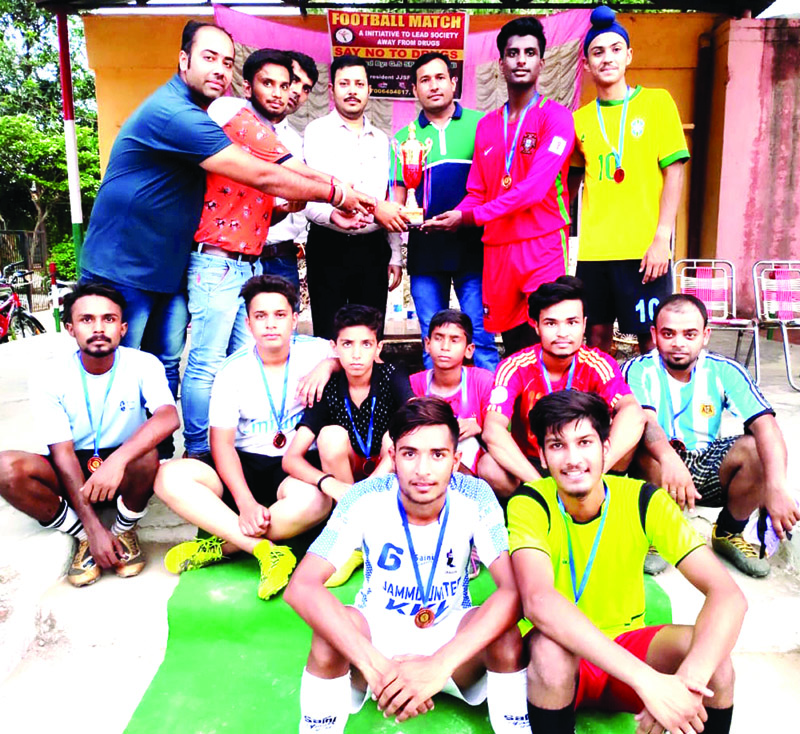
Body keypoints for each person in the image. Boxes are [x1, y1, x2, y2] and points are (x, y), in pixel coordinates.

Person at [80, 21, 372, 403]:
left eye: (227, 61)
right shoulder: (178, 113)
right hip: (123, 264)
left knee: (165, 363)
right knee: (120, 368)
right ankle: (116, 456)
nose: (219, 68)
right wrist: (338, 194)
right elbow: (266, 174)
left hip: (168, 265)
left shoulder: (203, 115)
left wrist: (310, 202)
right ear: (183, 60)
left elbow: (264, 187)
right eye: (208, 57)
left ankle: (165, 455)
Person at [284, 397, 531, 734]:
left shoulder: (476, 495)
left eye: (438, 455)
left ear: (456, 460)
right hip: (376, 639)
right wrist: (376, 668)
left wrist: (438, 665)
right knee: (329, 633)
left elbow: (514, 590)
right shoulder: (364, 497)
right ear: (393, 456)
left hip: (450, 636)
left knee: (506, 634)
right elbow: (302, 586)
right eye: (410, 453)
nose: (423, 470)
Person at [508, 390, 745, 734]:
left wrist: (685, 687)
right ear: (543, 457)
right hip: (565, 654)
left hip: (627, 644)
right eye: (558, 445)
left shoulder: (643, 500)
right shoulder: (530, 503)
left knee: (716, 665)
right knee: (548, 652)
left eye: (585, 442)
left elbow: (728, 595)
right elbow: (539, 602)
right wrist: (649, 682)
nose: (574, 458)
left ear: (606, 448)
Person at [181, 48, 343, 460]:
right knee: (205, 365)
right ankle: (201, 453)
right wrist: (348, 195)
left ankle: (236, 448)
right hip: (216, 261)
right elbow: (283, 172)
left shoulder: (269, 130)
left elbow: (258, 207)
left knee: (238, 362)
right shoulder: (234, 112)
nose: (278, 93)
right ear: (248, 84)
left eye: (284, 85)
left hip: (246, 261)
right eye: (267, 83)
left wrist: (285, 206)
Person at [155, 275, 338, 600]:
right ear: (249, 323)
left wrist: (330, 366)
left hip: (292, 468)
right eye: (261, 316)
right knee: (168, 477)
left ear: (295, 319)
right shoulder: (232, 370)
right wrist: (245, 501)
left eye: (280, 315)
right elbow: (221, 444)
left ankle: (224, 546)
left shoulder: (318, 351)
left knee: (316, 500)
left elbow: (363, 360)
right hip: (243, 466)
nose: (271, 325)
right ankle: (264, 550)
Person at [0, 284, 179, 587]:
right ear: (70, 328)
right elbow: (62, 453)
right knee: (6, 468)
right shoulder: (49, 375)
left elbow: (168, 416)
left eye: (109, 319)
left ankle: (124, 530)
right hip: (71, 463)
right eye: (87, 320)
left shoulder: (143, 363)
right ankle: (84, 539)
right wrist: (93, 529)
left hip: (123, 467)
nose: (98, 328)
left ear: (123, 328)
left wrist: (117, 461)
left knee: (148, 452)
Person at [425, 17, 575, 356]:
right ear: (501, 63)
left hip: (543, 242)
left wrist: (469, 218)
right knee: (515, 346)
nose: (521, 60)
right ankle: (521, 410)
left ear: (542, 62)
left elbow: (535, 190)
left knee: (552, 340)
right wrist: (452, 214)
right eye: (513, 53)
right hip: (498, 248)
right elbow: (477, 190)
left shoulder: (557, 118)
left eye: (529, 52)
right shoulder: (487, 126)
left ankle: (554, 409)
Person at [622, 294, 800, 578]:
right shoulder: (638, 369)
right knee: (642, 443)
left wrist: (777, 486)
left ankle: (729, 531)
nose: (679, 342)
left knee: (756, 448)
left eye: (689, 334)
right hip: (658, 461)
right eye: (669, 333)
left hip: (706, 460)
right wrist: (669, 458)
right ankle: (658, 532)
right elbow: (645, 420)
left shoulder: (724, 370)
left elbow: (766, 425)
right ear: (654, 334)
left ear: (705, 335)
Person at [571, 6, 689, 353]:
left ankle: (652, 407)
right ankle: (600, 407)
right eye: (597, 52)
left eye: (615, 49)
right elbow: (571, 185)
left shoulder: (657, 103)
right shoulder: (579, 121)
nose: (607, 58)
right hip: (594, 252)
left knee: (652, 339)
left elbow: (675, 172)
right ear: (586, 64)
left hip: (644, 248)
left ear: (628, 55)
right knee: (595, 341)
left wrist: (662, 238)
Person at [480, 276, 644, 497]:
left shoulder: (598, 363)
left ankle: (602, 496)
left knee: (632, 432)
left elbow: (633, 412)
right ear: (535, 326)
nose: (562, 333)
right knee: (489, 466)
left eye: (572, 322)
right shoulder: (514, 366)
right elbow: (493, 429)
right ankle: (529, 505)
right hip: (533, 463)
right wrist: (543, 488)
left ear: (584, 324)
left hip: (585, 460)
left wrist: (596, 470)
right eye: (551, 323)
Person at [392, 52, 498, 371]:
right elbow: (398, 201)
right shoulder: (403, 138)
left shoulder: (484, 125)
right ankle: (432, 416)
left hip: (476, 249)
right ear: (414, 89)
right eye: (425, 80)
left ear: (454, 83)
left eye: (440, 78)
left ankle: (491, 416)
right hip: (426, 251)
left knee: (480, 336)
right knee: (431, 337)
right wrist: (395, 249)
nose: (433, 86)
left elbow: (496, 187)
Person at [303, 54, 409, 339]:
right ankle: (331, 385)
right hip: (328, 245)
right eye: (344, 83)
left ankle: (370, 385)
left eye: (359, 84)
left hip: (372, 250)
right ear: (332, 90)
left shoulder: (384, 140)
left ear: (369, 90)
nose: (352, 90)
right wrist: (332, 213)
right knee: (329, 333)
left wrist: (395, 255)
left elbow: (391, 203)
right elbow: (309, 194)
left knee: (370, 334)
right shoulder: (316, 132)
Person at [283, 304, 414, 500]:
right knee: (329, 436)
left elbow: (418, 417)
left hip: (387, 469)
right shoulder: (329, 386)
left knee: (395, 436)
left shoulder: (393, 374)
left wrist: (370, 485)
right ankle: (348, 513)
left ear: (379, 347)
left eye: (366, 344)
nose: (356, 354)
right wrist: (327, 482)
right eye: (347, 344)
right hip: (345, 475)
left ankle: (377, 507)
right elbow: (291, 458)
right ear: (334, 347)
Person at [261, 50, 320, 290]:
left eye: (306, 88)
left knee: (284, 328)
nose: (297, 91)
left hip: (281, 257)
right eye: (294, 80)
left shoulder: (296, 142)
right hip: (234, 256)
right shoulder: (232, 123)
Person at [409, 309, 495, 475]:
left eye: (454, 340)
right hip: (426, 460)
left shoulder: (483, 381)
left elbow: (500, 433)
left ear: (469, 350)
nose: (445, 347)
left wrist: (479, 427)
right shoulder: (414, 383)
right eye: (438, 338)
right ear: (427, 344)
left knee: (466, 443)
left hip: (473, 460)